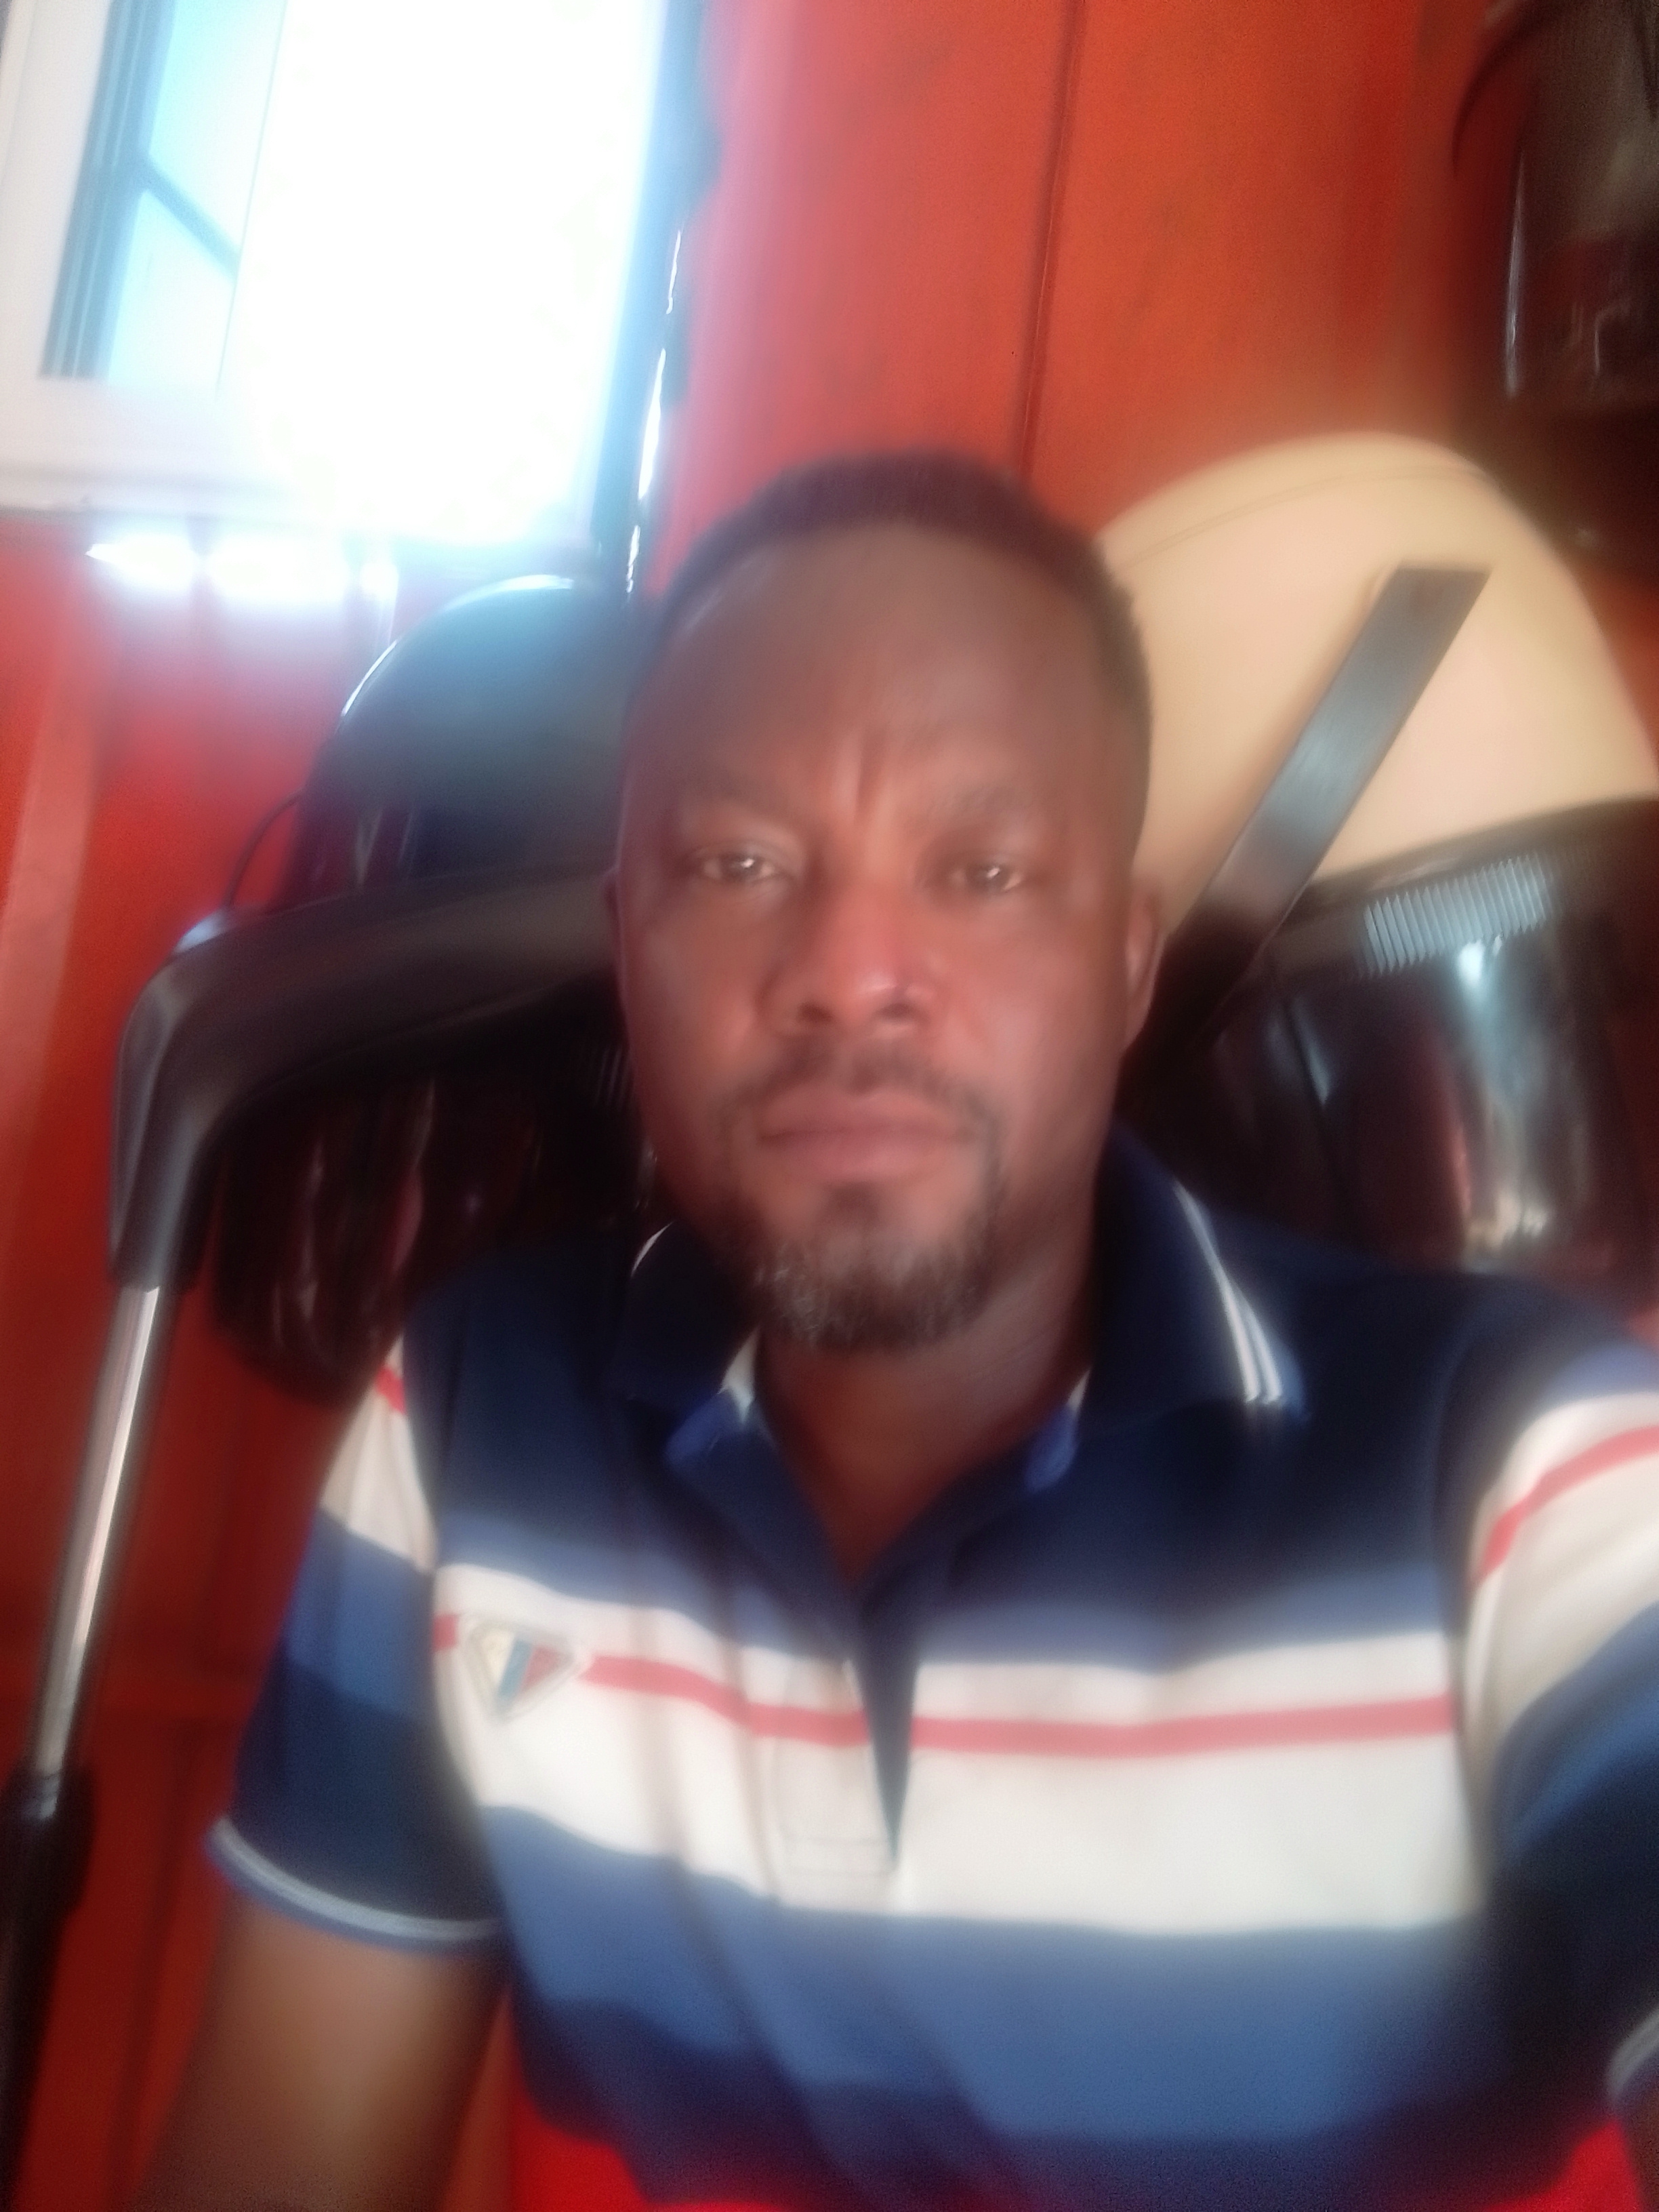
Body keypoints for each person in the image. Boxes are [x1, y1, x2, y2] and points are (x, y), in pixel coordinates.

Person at [140, 452, 1659, 2212]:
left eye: (984, 868)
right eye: (739, 860)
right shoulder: (474, 1421)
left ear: (1130, 967)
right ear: (627, 941)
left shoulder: (1535, 1470)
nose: (852, 971)